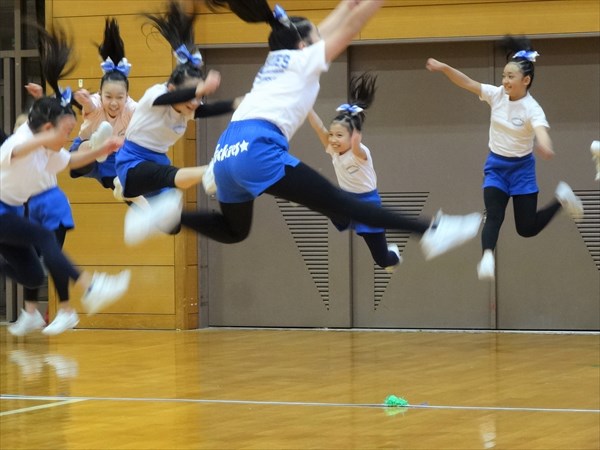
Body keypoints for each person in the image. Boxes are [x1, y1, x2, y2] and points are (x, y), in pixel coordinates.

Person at [125, 0, 482, 261]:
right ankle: (432, 232)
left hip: (226, 152)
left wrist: (347, 6)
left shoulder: (280, 59)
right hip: (257, 149)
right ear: (304, 45)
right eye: (315, 36)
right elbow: (349, 22)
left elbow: (332, 21)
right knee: (347, 203)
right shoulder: (304, 60)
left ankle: (170, 215)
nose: (322, 36)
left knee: (235, 230)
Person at [0, 25, 131, 336]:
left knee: (32, 276)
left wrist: (103, 147)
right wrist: (48, 136)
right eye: (65, 132)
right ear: (46, 129)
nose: (68, 137)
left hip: (12, 214)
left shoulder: (50, 150)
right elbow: (20, 149)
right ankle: (90, 287)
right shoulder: (18, 144)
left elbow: (72, 160)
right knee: (45, 239)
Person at [426, 35, 584, 281]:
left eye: (510, 76)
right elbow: (467, 82)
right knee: (494, 214)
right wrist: (445, 68)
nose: (505, 80)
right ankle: (487, 256)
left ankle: (561, 200)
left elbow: (541, 132)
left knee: (526, 228)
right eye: (504, 76)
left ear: (526, 80)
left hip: (522, 171)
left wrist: (544, 146)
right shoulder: (496, 95)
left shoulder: (532, 108)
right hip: (497, 168)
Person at [114, 0, 242, 218]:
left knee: (171, 223)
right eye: (191, 96)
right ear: (172, 87)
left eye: (199, 97)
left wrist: (234, 104)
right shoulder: (156, 95)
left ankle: (124, 193)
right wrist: (199, 88)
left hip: (158, 160)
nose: (194, 102)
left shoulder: (187, 107)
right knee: (167, 175)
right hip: (132, 161)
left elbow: (203, 111)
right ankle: (209, 170)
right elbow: (173, 98)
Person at [308, 72, 401, 272]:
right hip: (345, 202)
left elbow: (357, 147)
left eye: (339, 135)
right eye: (332, 134)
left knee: (382, 260)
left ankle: (395, 256)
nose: (332, 138)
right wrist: (305, 106)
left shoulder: (360, 152)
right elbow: (318, 126)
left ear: (353, 137)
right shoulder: (334, 150)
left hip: (368, 205)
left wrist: (356, 139)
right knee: (325, 199)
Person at [69, 18, 137, 194]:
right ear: (100, 94)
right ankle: (94, 145)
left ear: (127, 97)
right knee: (80, 163)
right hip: (85, 152)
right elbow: (91, 105)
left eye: (119, 97)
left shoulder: (132, 108)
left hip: (112, 156)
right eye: (108, 97)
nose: (113, 103)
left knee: (119, 187)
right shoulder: (96, 103)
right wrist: (84, 101)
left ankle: (145, 210)